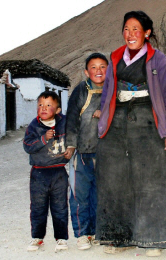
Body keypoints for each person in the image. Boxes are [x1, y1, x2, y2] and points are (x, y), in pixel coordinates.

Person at [95, 11, 166, 257]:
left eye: (136, 29)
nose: (130, 34)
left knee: (153, 181)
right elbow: (107, 95)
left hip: (148, 122)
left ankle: (154, 239)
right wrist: (102, 120)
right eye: (126, 29)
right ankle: (118, 237)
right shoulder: (114, 58)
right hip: (117, 124)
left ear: (147, 33)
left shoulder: (159, 60)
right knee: (115, 179)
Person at [65, 53, 109, 250]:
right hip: (82, 152)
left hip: (106, 154)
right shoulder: (81, 90)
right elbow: (72, 120)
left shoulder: (113, 90)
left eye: (102, 67)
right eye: (94, 67)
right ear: (86, 71)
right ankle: (83, 233)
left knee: (101, 195)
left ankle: (98, 231)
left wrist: (106, 114)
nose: (98, 71)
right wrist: (71, 145)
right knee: (79, 195)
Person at [23, 91, 70, 252]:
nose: (43, 108)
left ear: (57, 110)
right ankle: (37, 237)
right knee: (38, 207)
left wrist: (71, 149)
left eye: (49, 105)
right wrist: (44, 138)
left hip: (59, 172)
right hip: (39, 173)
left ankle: (62, 238)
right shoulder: (34, 126)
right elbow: (27, 146)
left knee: (60, 207)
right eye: (40, 105)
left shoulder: (64, 122)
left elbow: (74, 136)